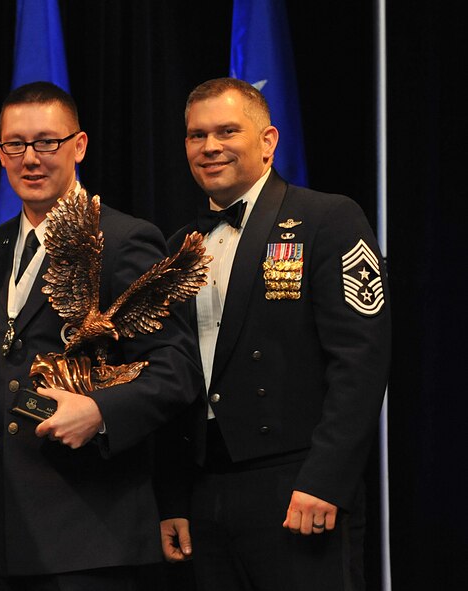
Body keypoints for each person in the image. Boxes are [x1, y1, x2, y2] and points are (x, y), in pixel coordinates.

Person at [0, 81, 200, 590]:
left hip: (96, 534)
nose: (31, 158)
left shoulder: (124, 239)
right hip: (11, 534)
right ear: (0, 152)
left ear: (79, 145)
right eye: (15, 144)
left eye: (47, 142)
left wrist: (100, 413)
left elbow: (176, 368)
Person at [156, 77, 391, 590]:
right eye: (197, 135)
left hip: (297, 486)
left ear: (268, 142)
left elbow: (361, 361)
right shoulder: (178, 247)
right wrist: (173, 497)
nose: (210, 146)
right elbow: (174, 383)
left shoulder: (326, 218)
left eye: (227, 131)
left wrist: (326, 479)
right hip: (204, 489)